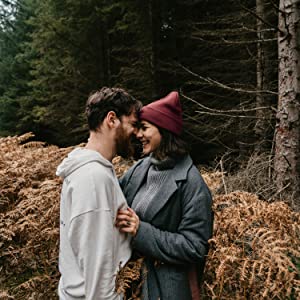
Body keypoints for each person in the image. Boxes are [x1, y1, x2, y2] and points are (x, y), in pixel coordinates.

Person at [115, 91, 213, 300]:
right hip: (132, 284)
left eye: (144, 128)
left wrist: (141, 231)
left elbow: (195, 246)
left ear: (164, 130)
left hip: (168, 289)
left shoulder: (192, 183)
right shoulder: (141, 167)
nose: (138, 134)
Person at [56, 87, 141, 300]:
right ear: (111, 119)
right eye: (132, 124)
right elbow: (97, 262)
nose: (137, 133)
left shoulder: (93, 169)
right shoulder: (93, 178)